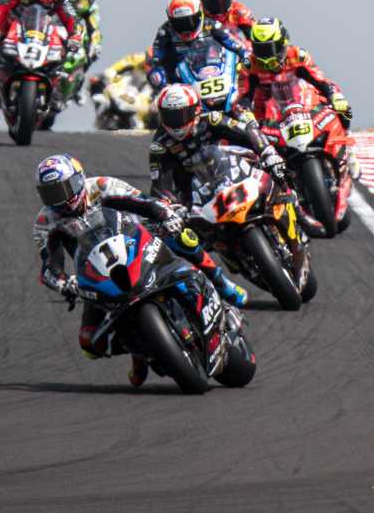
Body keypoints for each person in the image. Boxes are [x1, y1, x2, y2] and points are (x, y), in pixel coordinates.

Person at [31, 153, 247, 387]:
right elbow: (49, 267)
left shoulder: (102, 187)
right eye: (51, 194)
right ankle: (142, 352)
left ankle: (221, 283)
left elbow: (143, 202)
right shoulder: (46, 222)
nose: (59, 200)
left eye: (63, 189)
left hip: (137, 240)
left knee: (183, 237)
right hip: (100, 275)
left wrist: (166, 215)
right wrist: (64, 283)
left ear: (78, 180)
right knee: (89, 344)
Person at [145, 83, 291, 208]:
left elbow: (247, 131)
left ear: (196, 110)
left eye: (180, 115)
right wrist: (170, 205)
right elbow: (159, 186)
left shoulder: (211, 119)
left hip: (230, 174)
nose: (175, 123)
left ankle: (292, 201)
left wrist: (268, 153)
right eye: (169, 116)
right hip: (194, 197)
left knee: (276, 174)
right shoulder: (159, 145)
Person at [235, 19, 351, 124]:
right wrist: (245, 113)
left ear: (282, 43)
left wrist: (335, 95)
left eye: (269, 48)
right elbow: (243, 99)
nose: (265, 56)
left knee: (344, 112)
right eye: (259, 49)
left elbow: (321, 82)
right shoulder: (249, 66)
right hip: (271, 122)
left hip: (308, 113)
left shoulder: (298, 56)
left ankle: (343, 134)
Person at [147, 0, 244, 89]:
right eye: (179, 23)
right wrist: (156, 70)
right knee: (156, 78)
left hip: (214, 72)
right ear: (171, 20)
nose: (185, 27)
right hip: (180, 78)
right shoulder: (165, 31)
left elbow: (230, 42)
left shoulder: (210, 24)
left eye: (190, 21)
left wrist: (244, 55)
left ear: (199, 15)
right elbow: (157, 55)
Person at [196, 0, 261, 44]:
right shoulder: (197, 12)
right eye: (213, 3)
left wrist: (248, 45)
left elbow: (253, 37)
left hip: (234, 46)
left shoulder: (239, 11)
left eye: (222, 2)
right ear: (203, 1)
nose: (218, 7)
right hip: (205, 47)